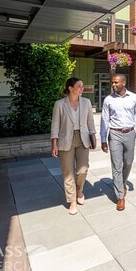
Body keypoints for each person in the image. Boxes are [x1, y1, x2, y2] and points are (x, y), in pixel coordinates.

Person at [50, 77, 96, 215]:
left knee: (83, 170)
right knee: (68, 172)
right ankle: (72, 201)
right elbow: (55, 125)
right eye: (79, 86)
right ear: (70, 88)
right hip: (65, 141)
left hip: (83, 139)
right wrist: (54, 144)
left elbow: (90, 122)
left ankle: (79, 191)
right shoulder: (59, 104)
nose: (82, 88)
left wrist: (93, 136)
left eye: (82, 86)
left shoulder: (86, 102)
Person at [100, 74, 136, 211]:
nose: (113, 85)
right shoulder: (108, 100)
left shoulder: (134, 98)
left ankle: (123, 183)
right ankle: (120, 196)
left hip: (130, 133)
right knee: (116, 165)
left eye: (116, 82)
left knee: (128, 162)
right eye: (112, 82)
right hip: (114, 134)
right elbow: (104, 120)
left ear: (124, 83)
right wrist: (103, 139)